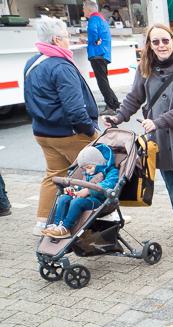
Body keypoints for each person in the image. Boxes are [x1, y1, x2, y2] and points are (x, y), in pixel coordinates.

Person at [106, 23, 173, 249]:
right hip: (159, 138)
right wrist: (117, 118)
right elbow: (134, 98)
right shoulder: (145, 69)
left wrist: (157, 122)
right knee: (172, 184)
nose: (161, 45)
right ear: (149, 46)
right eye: (156, 41)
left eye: (165, 40)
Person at [24, 16, 99, 237]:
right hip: (69, 133)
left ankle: (41, 223)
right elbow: (75, 110)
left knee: (53, 175)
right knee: (94, 172)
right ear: (57, 39)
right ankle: (103, 216)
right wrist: (91, 131)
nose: (70, 40)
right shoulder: (62, 67)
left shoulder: (33, 63)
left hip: (42, 131)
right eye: (67, 36)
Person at [42, 145, 118, 238]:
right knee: (63, 198)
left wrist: (89, 191)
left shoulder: (111, 172)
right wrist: (74, 190)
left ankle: (66, 228)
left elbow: (108, 185)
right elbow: (82, 186)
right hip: (85, 199)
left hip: (100, 201)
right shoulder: (88, 173)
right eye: (85, 169)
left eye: (89, 167)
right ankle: (57, 225)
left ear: (99, 163)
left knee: (76, 202)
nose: (87, 171)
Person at [83, 0, 119, 116]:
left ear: (88, 10)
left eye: (84, 9)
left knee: (102, 81)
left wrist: (92, 41)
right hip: (103, 53)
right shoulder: (101, 19)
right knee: (104, 80)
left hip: (97, 53)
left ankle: (110, 106)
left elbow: (93, 32)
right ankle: (114, 103)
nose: (83, 11)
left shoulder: (93, 19)